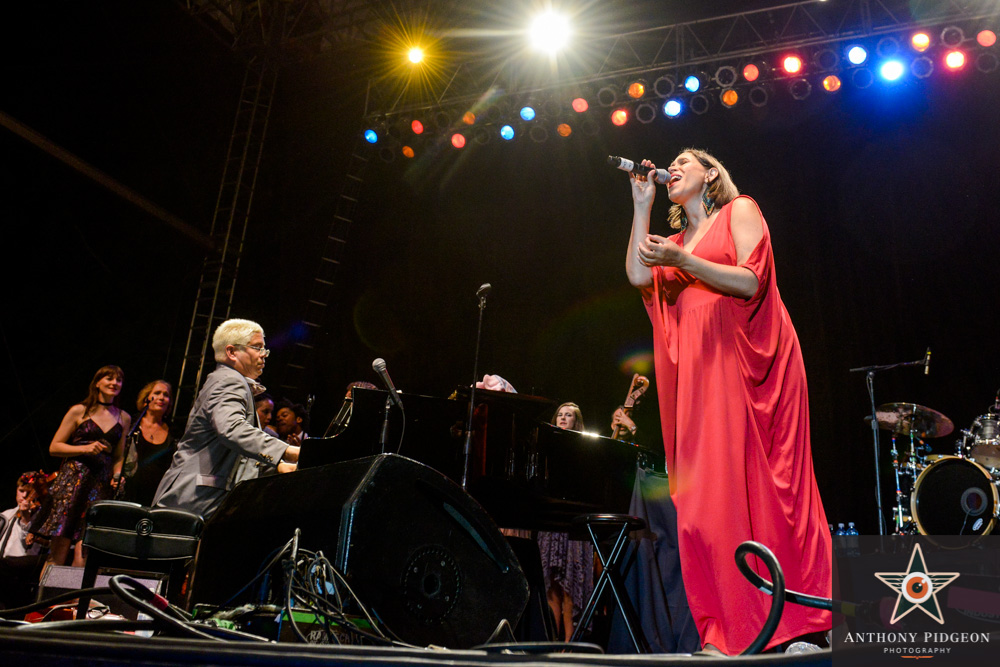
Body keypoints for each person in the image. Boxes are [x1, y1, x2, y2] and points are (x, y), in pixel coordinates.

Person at [624, 149, 831, 653]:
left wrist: (683, 261)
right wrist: (640, 204)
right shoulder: (672, 241)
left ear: (710, 173)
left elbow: (751, 280)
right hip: (696, 378)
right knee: (699, 503)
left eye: (683, 162)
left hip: (748, 365)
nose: (671, 168)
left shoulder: (740, 210)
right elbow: (636, 275)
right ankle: (726, 628)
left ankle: (803, 622)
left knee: (767, 492)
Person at [152, 319, 299, 520]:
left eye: (264, 349)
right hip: (194, 500)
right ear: (231, 352)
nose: (264, 355)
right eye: (257, 348)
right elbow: (232, 430)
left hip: (201, 500)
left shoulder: (229, 381)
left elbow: (237, 447)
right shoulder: (229, 381)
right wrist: (288, 451)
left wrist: (279, 465)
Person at [34, 365, 129, 571]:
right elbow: (54, 447)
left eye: (118, 380)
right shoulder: (79, 410)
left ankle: (76, 601)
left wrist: (118, 475)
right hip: (72, 481)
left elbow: (119, 455)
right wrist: (85, 448)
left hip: (99, 483)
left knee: (84, 549)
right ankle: (45, 599)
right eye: (109, 379)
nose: (114, 383)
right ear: (97, 383)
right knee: (60, 546)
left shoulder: (124, 417)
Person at [537, 402, 595, 642]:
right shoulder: (547, 447)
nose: (562, 418)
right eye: (560, 414)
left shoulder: (583, 449)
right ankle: (551, 641)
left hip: (571, 523)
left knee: (570, 585)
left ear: (576, 421)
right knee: (552, 587)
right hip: (551, 521)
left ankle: (569, 646)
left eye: (568, 415)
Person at [121, 380, 176, 507]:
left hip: (156, 496)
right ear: (146, 398)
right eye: (157, 393)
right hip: (128, 492)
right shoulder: (131, 424)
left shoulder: (174, 432)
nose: (161, 397)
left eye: (166, 395)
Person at [0, 472, 50, 607]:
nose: (24, 496)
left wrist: (25, 518)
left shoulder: (40, 517)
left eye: (28, 492)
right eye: (21, 491)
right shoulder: (6, 514)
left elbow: (29, 542)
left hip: (21, 569)